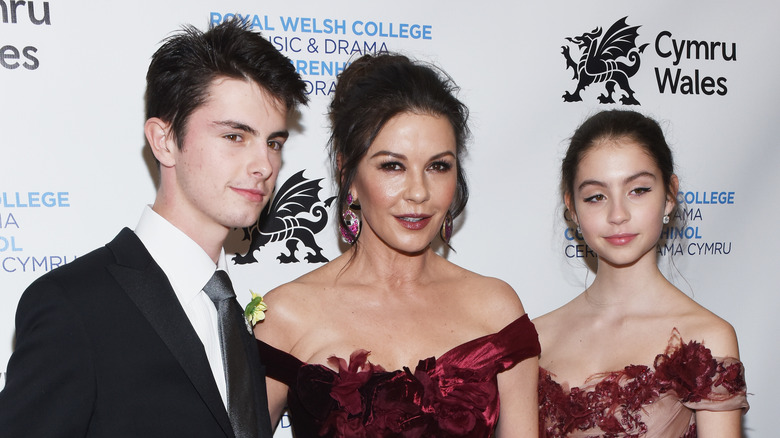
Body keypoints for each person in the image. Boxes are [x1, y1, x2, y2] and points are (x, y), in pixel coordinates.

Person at [0, 19, 307, 437]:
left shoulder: (231, 313)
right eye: (235, 136)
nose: (265, 165)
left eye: (273, 142)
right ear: (164, 140)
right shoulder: (73, 306)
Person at [252, 53, 541, 437]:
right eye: (393, 166)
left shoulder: (497, 309)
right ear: (348, 174)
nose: (419, 192)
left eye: (438, 166)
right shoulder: (285, 316)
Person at [535, 110, 748, 437]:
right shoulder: (537, 337)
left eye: (638, 190)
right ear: (572, 208)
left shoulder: (706, 339)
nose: (617, 214)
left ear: (669, 195)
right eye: (596, 197)